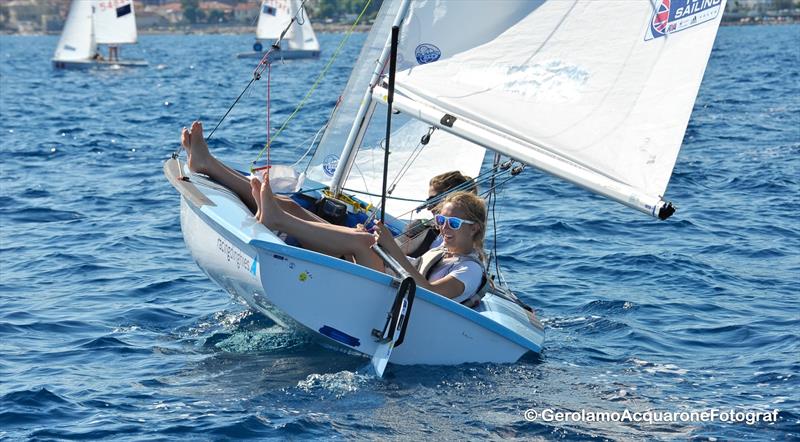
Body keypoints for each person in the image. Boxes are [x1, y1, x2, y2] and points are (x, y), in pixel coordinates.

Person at [251, 175, 488, 303]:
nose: (444, 227)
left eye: (453, 223)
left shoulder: (469, 270)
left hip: (399, 306)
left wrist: (389, 248)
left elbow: (428, 291)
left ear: (474, 229)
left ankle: (278, 221)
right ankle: (277, 215)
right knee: (361, 237)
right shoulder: (446, 253)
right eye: (441, 221)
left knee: (362, 243)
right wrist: (382, 243)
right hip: (389, 288)